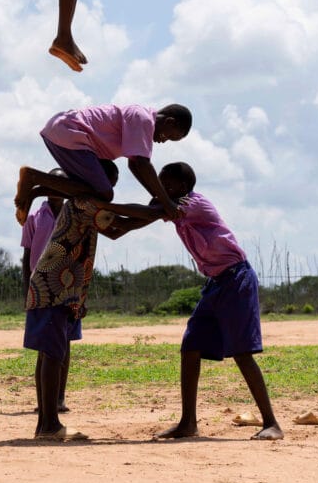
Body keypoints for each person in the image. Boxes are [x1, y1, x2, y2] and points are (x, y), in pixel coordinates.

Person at [94, 161, 284, 441]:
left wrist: (106, 208)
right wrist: (103, 221)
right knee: (191, 346)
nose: (157, 189)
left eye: (163, 184)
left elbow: (147, 212)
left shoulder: (192, 203)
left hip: (236, 279)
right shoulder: (169, 206)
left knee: (242, 353)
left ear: (181, 186)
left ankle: (272, 423)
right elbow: (134, 223)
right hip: (216, 283)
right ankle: (188, 422)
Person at [24, 160, 121, 441]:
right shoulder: (83, 203)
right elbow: (117, 228)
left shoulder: (86, 203)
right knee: (53, 355)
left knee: (50, 354)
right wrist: (157, 212)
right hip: (54, 286)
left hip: (60, 288)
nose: (110, 191)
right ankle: (50, 424)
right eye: (108, 185)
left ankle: (46, 424)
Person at [14, 103, 192, 226]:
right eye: (168, 136)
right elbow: (144, 165)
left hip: (60, 131)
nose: (163, 141)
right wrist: (167, 203)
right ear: (169, 122)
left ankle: (36, 190)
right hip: (71, 133)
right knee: (104, 193)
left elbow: (135, 165)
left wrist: (158, 198)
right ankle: (33, 176)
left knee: (86, 189)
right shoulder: (143, 119)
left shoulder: (141, 121)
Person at [20, 169, 73, 414]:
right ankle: (44, 400)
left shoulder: (74, 214)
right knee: (45, 344)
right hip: (40, 285)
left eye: (62, 184)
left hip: (68, 284)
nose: (57, 189)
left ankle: (59, 397)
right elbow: (27, 256)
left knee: (65, 342)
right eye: (53, 183)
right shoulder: (34, 217)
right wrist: (26, 290)